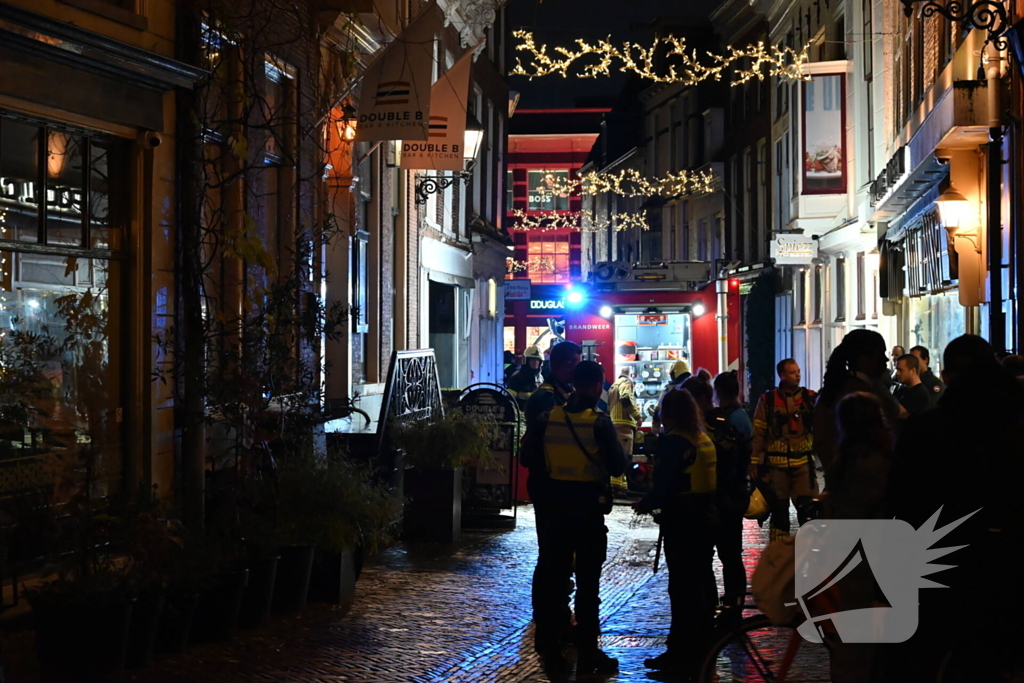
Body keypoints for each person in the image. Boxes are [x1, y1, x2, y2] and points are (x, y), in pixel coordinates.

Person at [878, 335, 1024, 682]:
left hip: (936, 561)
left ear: (948, 376)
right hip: (1004, 560)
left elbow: (900, 498)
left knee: (926, 656)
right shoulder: (1012, 427)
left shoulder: (927, 428)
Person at [521, 359, 627, 675]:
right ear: (595, 385)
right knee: (588, 584)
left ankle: (550, 645)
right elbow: (618, 466)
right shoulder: (599, 422)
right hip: (588, 510)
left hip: (555, 508)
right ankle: (589, 651)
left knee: (554, 577)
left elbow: (527, 457)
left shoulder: (546, 417)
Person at [634, 388, 718, 677]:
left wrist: (645, 504)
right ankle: (700, 649)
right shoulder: (703, 438)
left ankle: (681, 656)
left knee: (682, 590)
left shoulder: (673, 442)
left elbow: (666, 484)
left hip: (682, 521)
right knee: (700, 585)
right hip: (705, 518)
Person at [821, 391, 893, 683]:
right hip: (869, 559)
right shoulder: (880, 455)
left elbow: (853, 512)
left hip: (861, 563)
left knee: (854, 642)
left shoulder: (862, 461)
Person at [814, 329, 899, 473]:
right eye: (881, 354)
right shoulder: (864, 395)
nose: (885, 360)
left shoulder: (831, 391)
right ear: (864, 359)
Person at [750, 359, 816, 542]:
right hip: (776, 469)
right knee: (779, 515)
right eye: (793, 372)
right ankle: (779, 558)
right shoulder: (768, 401)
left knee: (809, 514)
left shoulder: (810, 398)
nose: (798, 375)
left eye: (799, 371)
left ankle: (814, 556)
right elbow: (759, 433)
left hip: (803, 466)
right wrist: (754, 462)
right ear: (782, 375)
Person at [709, 370, 753, 613]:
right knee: (732, 553)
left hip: (726, 492)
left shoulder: (724, 420)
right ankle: (734, 600)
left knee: (729, 553)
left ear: (718, 393)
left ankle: (732, 601)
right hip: (737, 491)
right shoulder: (741, 417)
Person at [607, 369, 641, 488]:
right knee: (625, 456)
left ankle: (617, 484)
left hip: (614, 423)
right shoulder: (626, 382)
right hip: (624, 424)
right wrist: (637, 417)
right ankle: (619, 486)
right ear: (631, 375)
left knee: (617, 455)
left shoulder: (613, 385)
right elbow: (625, 398)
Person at [651, 359, 691, 433]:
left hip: (672, 431)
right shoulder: (694, 387)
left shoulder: (668, 390)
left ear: (673, 374)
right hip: (691, 431)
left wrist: (655, 431)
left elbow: (657, 412)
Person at [892, 353, 930, 418]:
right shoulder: (902, 388)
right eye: (897, 369)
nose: (897, 373)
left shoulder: (920, 393)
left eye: (900, 370)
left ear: (912, 371)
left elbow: (898, 412)